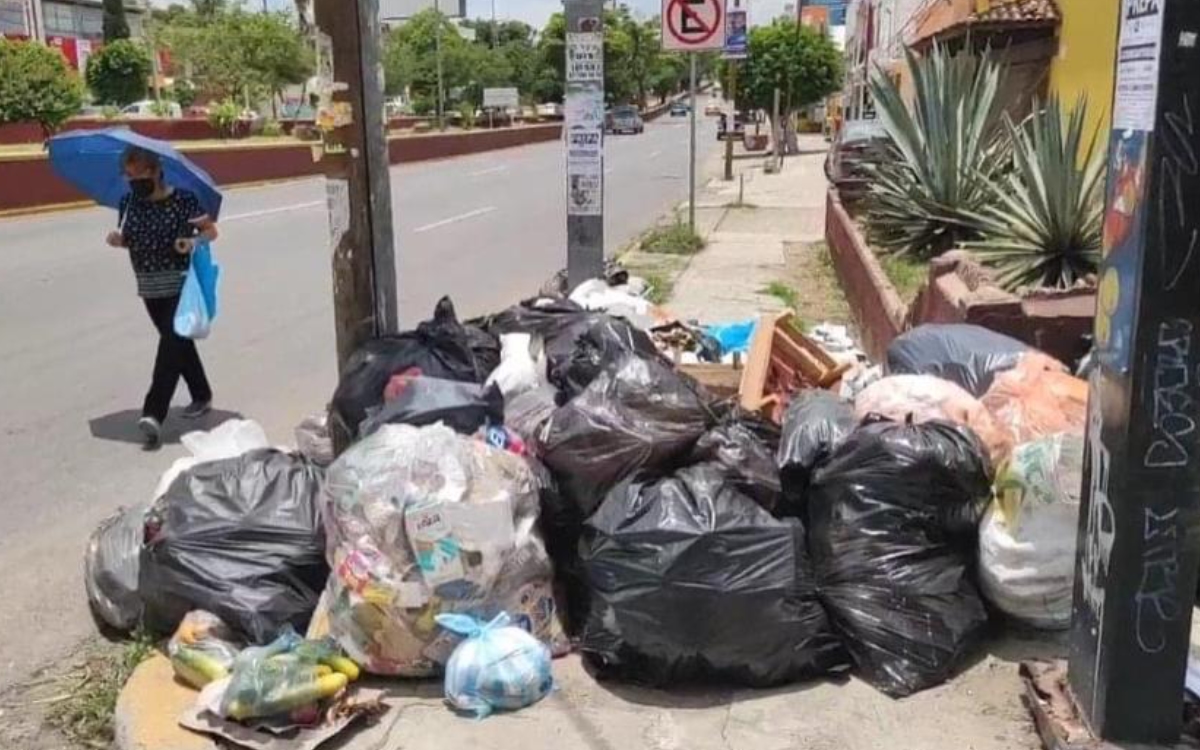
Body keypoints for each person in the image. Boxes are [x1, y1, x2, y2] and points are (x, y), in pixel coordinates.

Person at [105, 146, 218, 447]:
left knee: (171, 341)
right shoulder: (128, 202)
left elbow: (210, 232)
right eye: (128, 175)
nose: (133, 181)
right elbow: (130, 238)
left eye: (138, 174)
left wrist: (191, 241)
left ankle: (154, 412)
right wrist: (119, 240)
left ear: (155, 171)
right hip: (148, 286)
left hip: (179, 284)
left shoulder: (184, 200)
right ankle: (202, 394)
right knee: (177, 343)